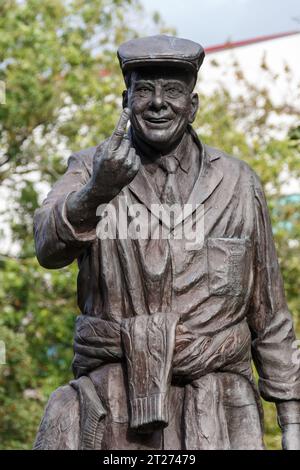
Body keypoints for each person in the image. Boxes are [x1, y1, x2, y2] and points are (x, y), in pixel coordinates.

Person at [33, 35, 300, 450]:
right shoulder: (91, 169)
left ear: (192, 105)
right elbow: (47, 246)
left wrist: (291, 420)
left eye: (173, 91)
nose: (159, 102)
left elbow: (269, 312)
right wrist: (96, 192)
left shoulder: (238, 182)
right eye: (144, 90)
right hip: (114, 409)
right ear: (126, 100)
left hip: (221, 410)